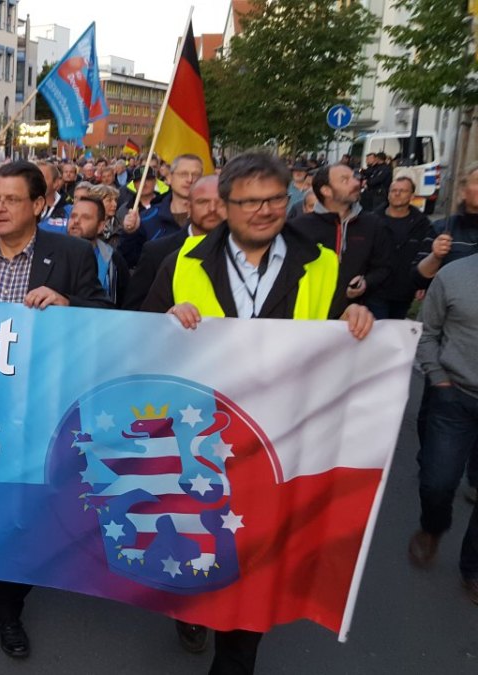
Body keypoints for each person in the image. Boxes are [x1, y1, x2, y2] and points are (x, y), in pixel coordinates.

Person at [142, 152, 374, 674]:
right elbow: (141, 335)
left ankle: (236, 658)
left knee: (252, 562)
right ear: (224, 205)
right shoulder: (184, 261)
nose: (263, 210)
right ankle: (195, 607)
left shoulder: (321, 262)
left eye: (273, 198)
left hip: (279, 441)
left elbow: (338, 328)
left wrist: (355, 315)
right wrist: (165, 319)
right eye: (248, 201)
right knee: (203, 547)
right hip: (201, 439)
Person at [0, 161, 112, 659]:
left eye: (12, 200)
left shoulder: (72, 254)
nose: (0, 208)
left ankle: (8, 608)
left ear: (38, 205)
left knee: (27, 509)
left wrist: (67, 301)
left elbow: (105, 316)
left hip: (40, 405)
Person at [408, 249, 478, 606]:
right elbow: (427, 332)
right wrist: (438, 378)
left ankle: (474, 569)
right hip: (455, 397)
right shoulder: (454, 276)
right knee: (437, 484)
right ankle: (433, 527)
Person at [288, 164, 391, 305]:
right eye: (345, 180)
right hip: (310, 316)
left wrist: (366, 282)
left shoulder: (373, 224)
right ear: (326, 191)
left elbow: (383, 267)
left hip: (357, 315)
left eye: (354, 178)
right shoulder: (299, 227)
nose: (356, 183)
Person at [123, 175, 226, 312]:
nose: (212, 208)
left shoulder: (249, 253)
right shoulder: (158, 253)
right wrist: (168, 318)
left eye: (221, 203)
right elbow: (135, 314)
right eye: (203, 202)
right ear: (188, 208)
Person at [118, 154, 201, 270]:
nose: (190, 179)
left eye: (196, 175)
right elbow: (128, 261)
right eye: (183, 174)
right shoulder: (146, 219)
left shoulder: (212, 219)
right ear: (170, 178)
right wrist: (130, 233)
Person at [365, 176, 432, 320]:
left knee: (396, 332)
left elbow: (425, 253)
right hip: (376, 290)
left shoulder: (422, 224)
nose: (397, 193)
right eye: (393, 190)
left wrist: (422, 283)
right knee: (379, 332)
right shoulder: (372, 220)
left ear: (412, 195)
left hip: (405, 291)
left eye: (402, 191)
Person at [68, 197, 128, 307]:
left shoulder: (113, 261)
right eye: (73, 216)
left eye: (85, 217)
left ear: (100, 226)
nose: (76, 221)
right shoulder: (53, 254)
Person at [35, 161, 68, 233]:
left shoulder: (69, 211)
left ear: (55, 183)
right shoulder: (23, 208)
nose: (35, 182)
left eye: (41, 178)